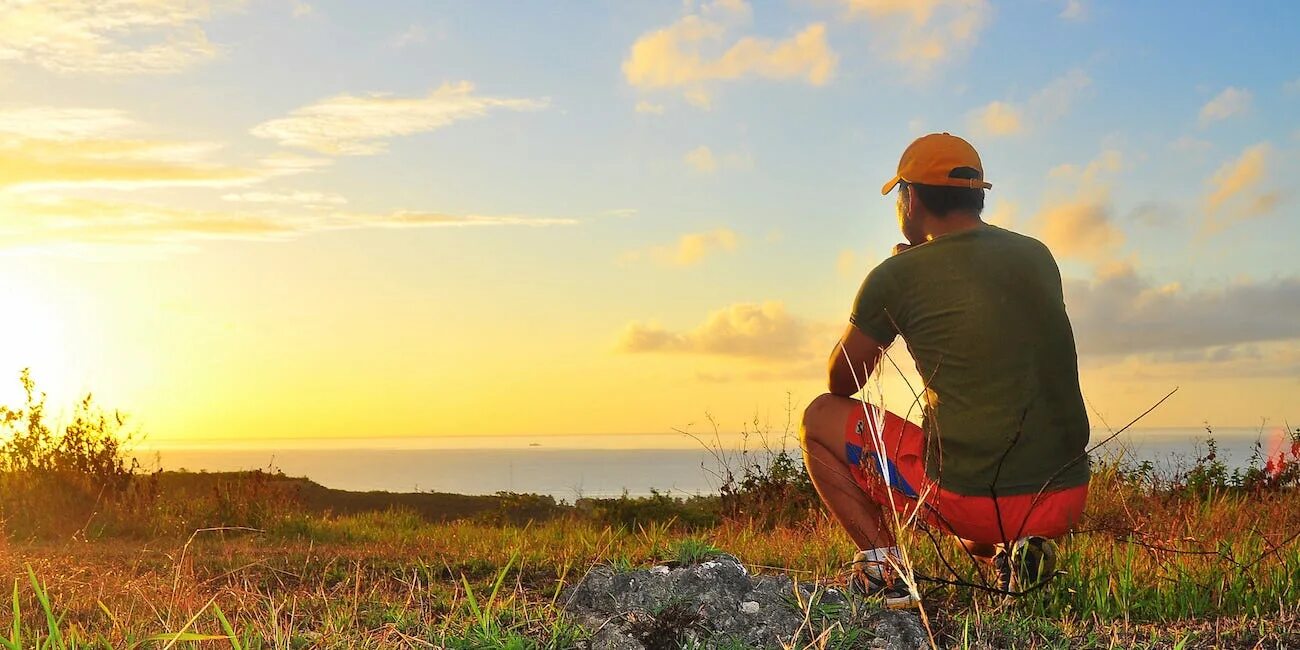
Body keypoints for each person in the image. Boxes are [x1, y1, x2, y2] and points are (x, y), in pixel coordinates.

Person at [800, 133, 1090, 609]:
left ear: (911, 199)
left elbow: (842, 381)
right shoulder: (1037, 255)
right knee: (972, 504)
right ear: (977, 196)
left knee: (817, 418)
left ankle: (883, 572)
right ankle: (1016, 552)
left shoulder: (896, 276)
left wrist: (890, 296)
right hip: (1065, 494)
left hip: (973, 499)